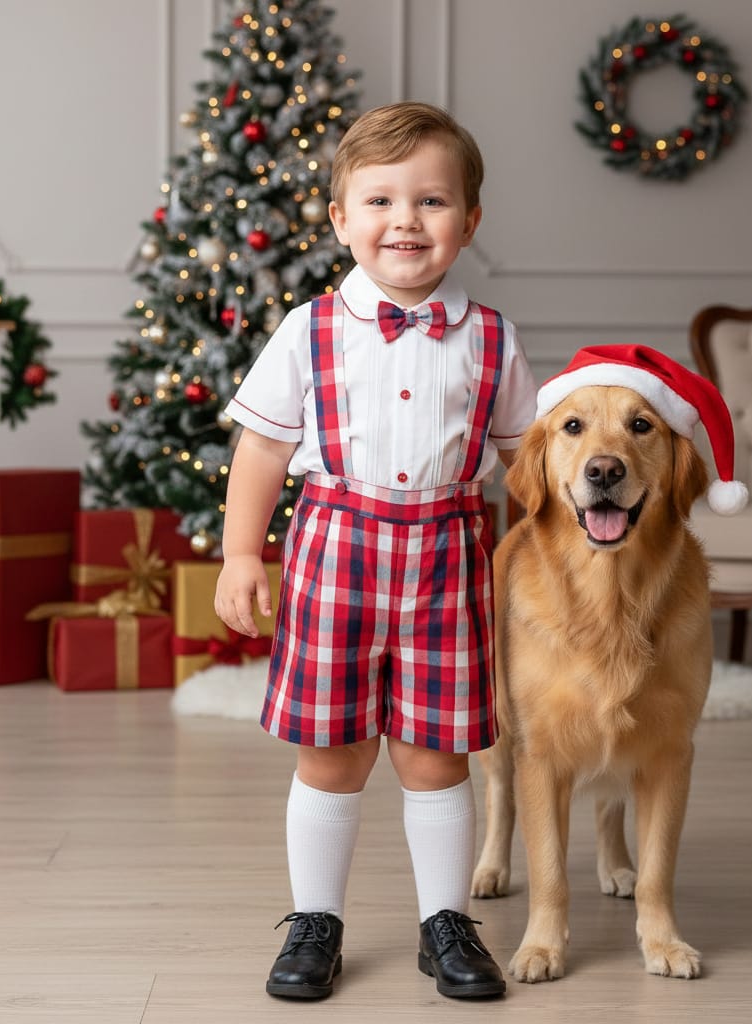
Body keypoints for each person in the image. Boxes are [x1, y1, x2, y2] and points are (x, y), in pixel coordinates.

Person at [215, 101, 537, 1001]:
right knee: (333, 749)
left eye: (432, 202)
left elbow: (526, 460)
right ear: (341, 218)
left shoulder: (493, 339)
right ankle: (314, 921)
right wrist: (244, 554)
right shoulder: (307, 329)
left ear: (469, 221)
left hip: (447, 553)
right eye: (382, 201)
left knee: (435, 754)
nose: (406, 221)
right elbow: (265, 450)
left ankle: (445, 923)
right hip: (334, 548)